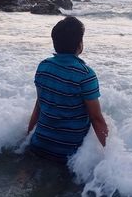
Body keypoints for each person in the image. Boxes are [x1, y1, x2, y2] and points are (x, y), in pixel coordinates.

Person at [27, 16, 108, 163]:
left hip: (38, 144)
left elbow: (39, 104)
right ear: (80, 44)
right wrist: (110, 156)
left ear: (55, 41)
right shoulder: (85, 75)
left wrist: (28, 134)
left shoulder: (43, 66)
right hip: (67, 154)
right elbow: (96, 119)